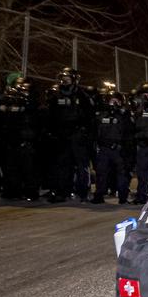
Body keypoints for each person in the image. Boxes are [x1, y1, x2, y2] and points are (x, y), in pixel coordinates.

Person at [45, 67, 95, 202]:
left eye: (67, 79)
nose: (64, 82)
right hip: (62, 135)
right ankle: (63, 192)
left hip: (78, 135)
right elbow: (51, 115)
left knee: (81, 165)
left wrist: (85, 133)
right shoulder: (56, 96)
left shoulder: (82, 96)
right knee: (63, 164)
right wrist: (52, 132)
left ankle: (83, 192)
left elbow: (89, 116)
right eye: (63, 79)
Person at [0, 77, 41, 201]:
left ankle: (30, 191)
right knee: (11, 167)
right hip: (13, 138)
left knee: (28, 168)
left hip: (26, 138)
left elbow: (33, 117)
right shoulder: (11, 101)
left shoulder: (33, 102)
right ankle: (13, 190)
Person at [92, 90, 133, 204]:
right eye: (111, 101)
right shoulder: (101, 115)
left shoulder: (125, 115)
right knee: (101, 173)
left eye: (116, 101)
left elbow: (129, 132)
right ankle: (99, 195)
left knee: (122, 174)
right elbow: (95, 131)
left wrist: (126, 149)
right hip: (104, 148)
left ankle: (123, 197)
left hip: (118, 149)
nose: (113, 103)